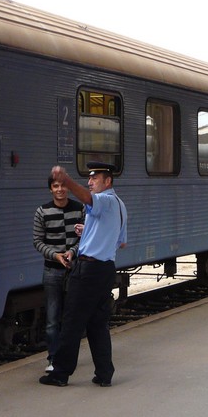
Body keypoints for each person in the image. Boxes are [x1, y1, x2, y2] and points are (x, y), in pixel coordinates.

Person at [39, 161, 127, 388]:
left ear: (107, 181)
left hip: (89, 271)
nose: (89, 183)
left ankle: (60, 373)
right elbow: (121, 242)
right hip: (105, 269)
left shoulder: (105, 200)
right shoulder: (120, 205)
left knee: (71, 322)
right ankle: (104, 373)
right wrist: (88, 230)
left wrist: (66, 180)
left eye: (94, 178)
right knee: (98, 323)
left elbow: (89, 200)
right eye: (89, 179)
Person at [33, 174, 85, 373]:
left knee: (70, 318)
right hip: (52, 270)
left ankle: (67, 358)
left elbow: (87, 236)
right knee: (52, 319)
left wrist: (72, 252)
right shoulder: (42, 212)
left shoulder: (79, 209)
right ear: (50, 189)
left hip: (74, 270)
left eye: (63, 186)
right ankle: (54, 359)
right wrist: (56, 256)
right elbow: (38, 241)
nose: (60, 189)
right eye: (55, 186)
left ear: (68, 189)